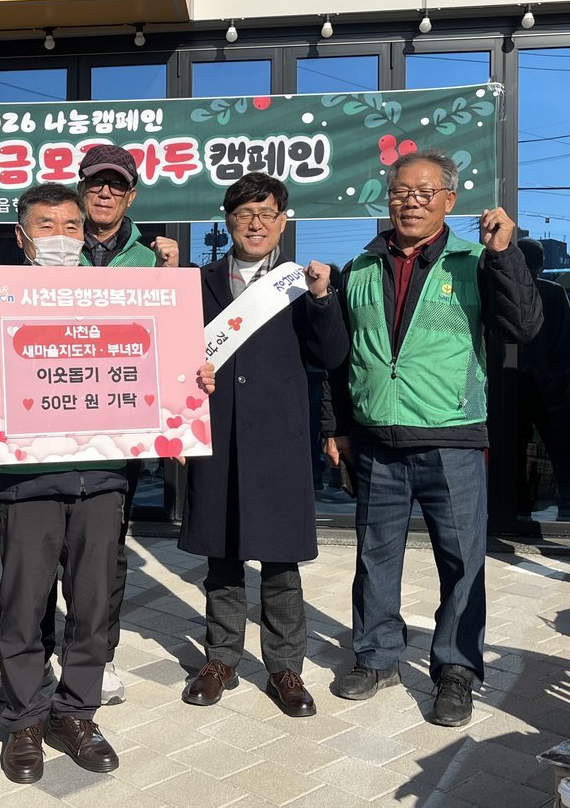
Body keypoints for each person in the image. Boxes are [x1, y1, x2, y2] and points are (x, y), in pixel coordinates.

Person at [326, 152, 542, 728]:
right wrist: (338, 427)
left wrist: (505, 255)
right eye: (401, 191)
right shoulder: (361, 266)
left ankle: (456, 670)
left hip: (452, 439)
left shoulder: (476, 261)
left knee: (462, 562)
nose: (410, 202)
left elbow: (523, 327)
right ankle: (376, 657)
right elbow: (343, 359)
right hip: (376, 439)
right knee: (375, 557)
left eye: (424, 192)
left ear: (449, 199)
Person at [0, 184, 129, 785]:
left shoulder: (116, 296)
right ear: (22, 238)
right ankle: (24, 718)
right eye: (46, 226)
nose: (61, 238)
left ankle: (76, 713)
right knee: (23, 603)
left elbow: (157, 365)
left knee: (93, 604)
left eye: (72, 226)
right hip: (26, 478)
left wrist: (188, 374)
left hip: (102, 472)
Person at [177, 173, 348, 717]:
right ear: (228, 221)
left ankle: (285, 667)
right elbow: (175, 356)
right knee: (222, 556)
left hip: (278, 438)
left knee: (280, 562)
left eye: (267, 213)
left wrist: (321, 299)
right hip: (217, 434)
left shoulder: (299, 284)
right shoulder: (198, 282)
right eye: (244, 214)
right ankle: (221, 659)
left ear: (282, 221)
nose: (256, 223)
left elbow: (332, 355)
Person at [515, 238, 570, 520]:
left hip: (513, 383)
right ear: (540, 264)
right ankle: (567, 506)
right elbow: (565, 340)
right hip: (550, 384)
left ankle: (518, 505)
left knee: (514, 448)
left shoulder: (507, 292)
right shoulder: (555, 292)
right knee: (559, 448)